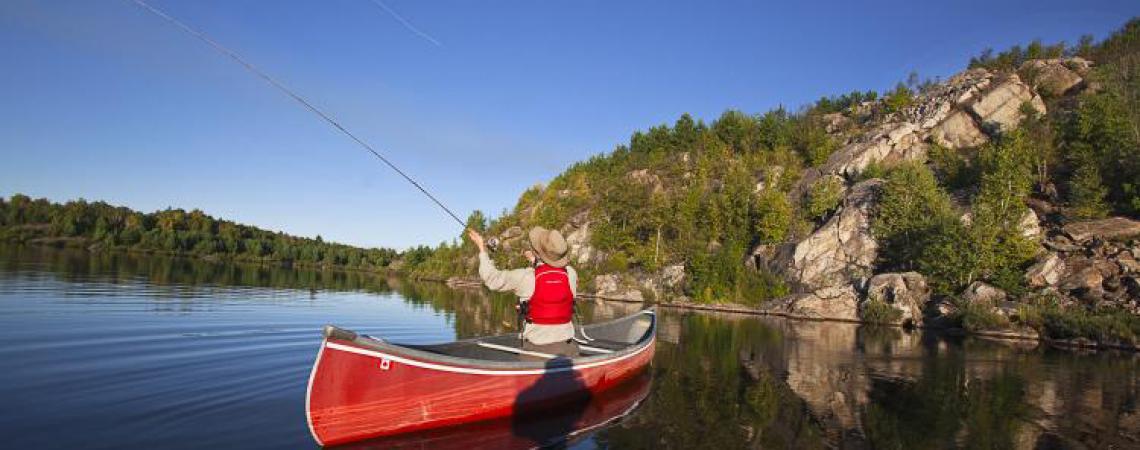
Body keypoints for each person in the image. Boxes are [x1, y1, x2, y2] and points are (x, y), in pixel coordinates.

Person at [466, 227, 579, 358]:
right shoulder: (571, 273)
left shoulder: (526, 277)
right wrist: (534, 260)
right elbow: (551, 275)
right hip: (569, 348)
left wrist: (482, 249)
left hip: (536, 350)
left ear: (537, 253)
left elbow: (492, 278)